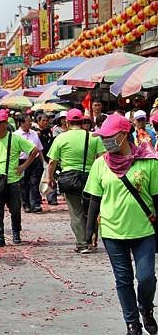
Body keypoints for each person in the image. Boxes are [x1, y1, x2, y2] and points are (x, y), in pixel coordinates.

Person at [84, 113, 158, 335]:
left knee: (146, 277)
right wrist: (88, 233)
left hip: (144, 231)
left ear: (125, 135)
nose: (105, 140)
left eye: (109, 136)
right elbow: (94, 200)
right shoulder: (100, 164)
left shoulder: (148, 162)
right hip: (112, 232)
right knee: (123, 280)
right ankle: (132, 324)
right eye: (102, 137)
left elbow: (157, 198)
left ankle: (145, 308)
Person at [0, 109, 39, 248]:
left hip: (13, 180)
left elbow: (34, 151)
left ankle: (16, 232)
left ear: (6, 123)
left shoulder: (16, 138)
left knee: (15, 209)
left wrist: (23, 166)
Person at [47, 109, 105, 254]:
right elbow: (102, 158)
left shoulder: (61, 138)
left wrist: (50, 178)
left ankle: (82, 244)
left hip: (69, 179)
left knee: (76, 212)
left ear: (67, 122)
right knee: (91, 211)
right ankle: (92, 239)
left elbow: (52, 162)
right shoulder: (93, 137)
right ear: (82, 121)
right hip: (90, 178)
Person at [15, 114, 44, 213]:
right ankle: (25, 204)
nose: (30, 123)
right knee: (23, 184)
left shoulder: (34, 133)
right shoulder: (16, 135)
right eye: (28, 121)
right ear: (22, 123)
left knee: (34, 183)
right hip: (21, 162)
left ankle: (35, 204)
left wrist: (43, 162)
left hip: (34, 161)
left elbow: (39, 149)